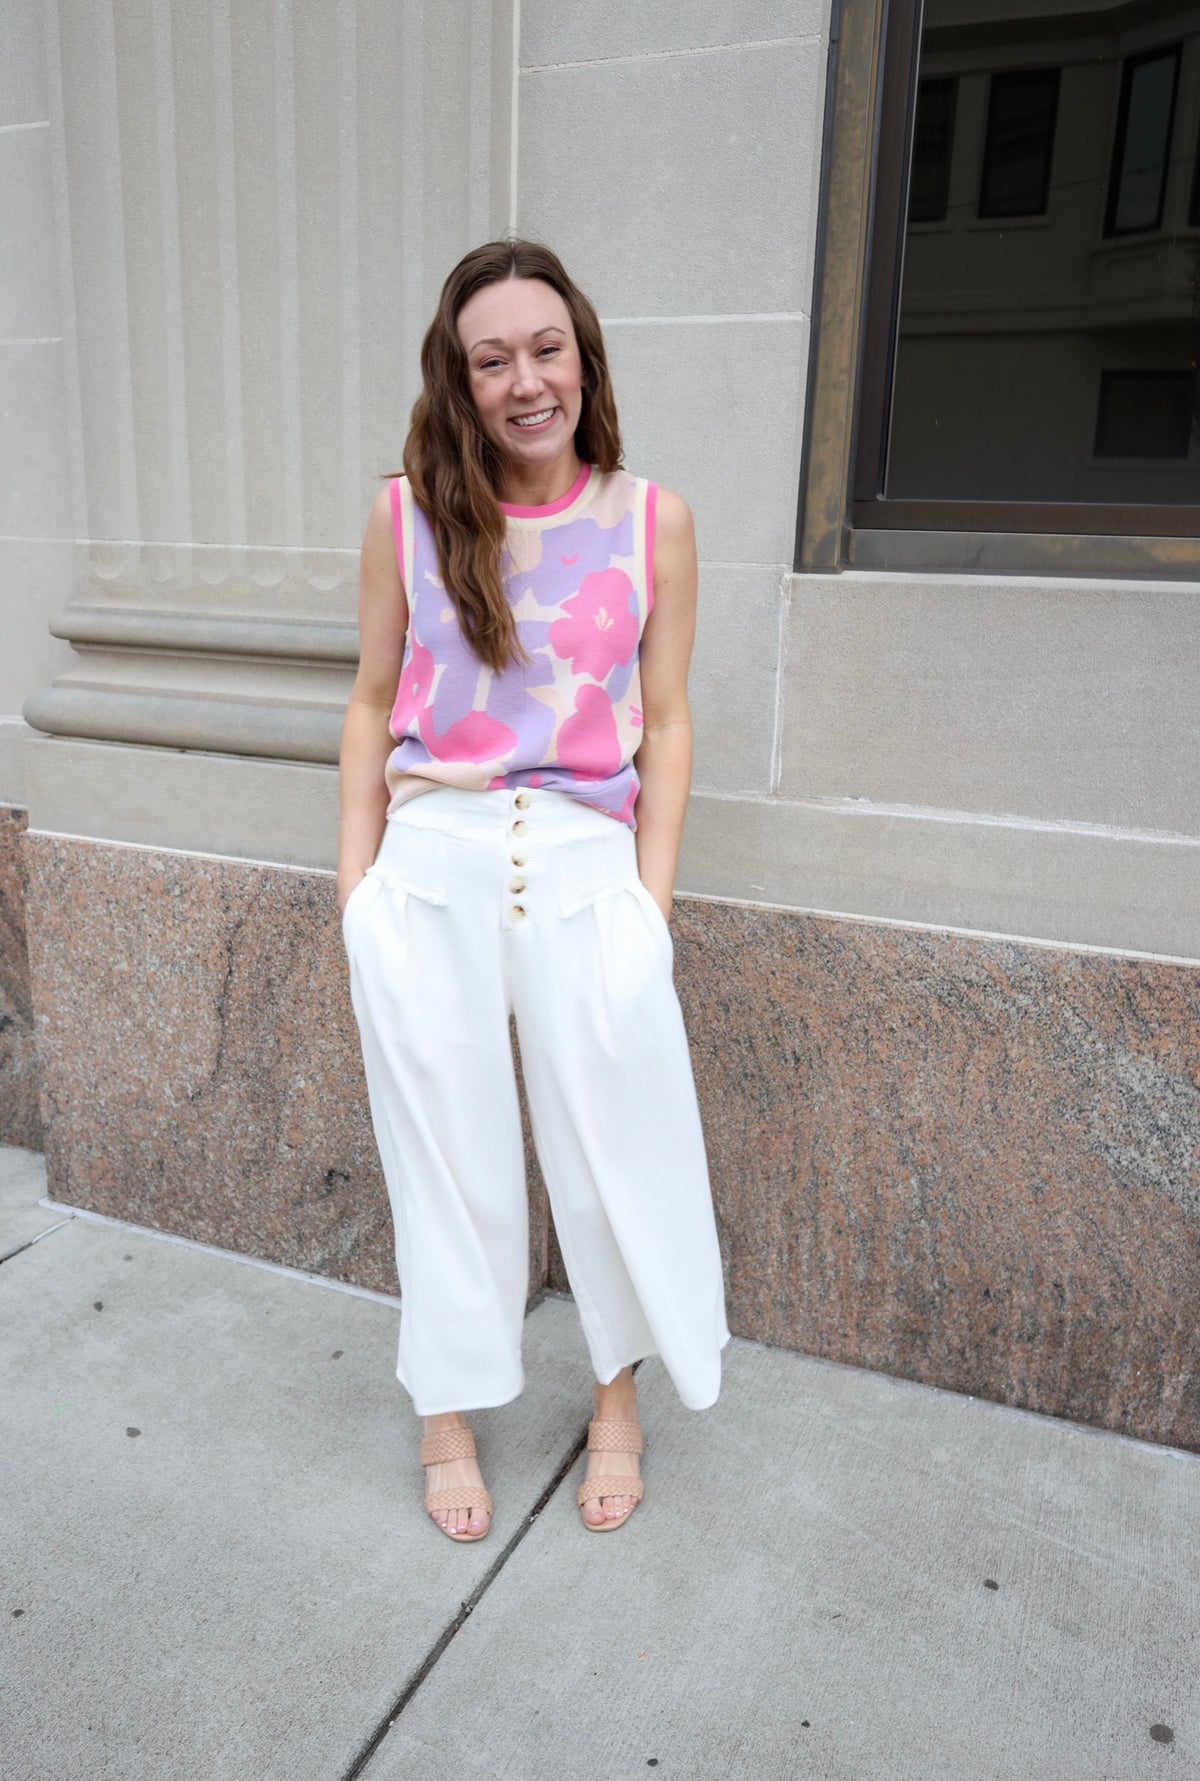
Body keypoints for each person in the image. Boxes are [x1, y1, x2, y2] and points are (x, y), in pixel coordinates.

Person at [337, 238, 729, 1541]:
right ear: (460, 378)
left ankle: (615, 1402)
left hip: (581, 866)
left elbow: (664, 724)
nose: (524, 379)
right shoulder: (407, 513)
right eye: (491, 357)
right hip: (433, 862)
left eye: (544, 348)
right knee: (444, 1159)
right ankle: (445, 1412)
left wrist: (650, 908)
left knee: (608, 1152)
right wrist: (357, 890)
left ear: (584, 356)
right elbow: (364, 702)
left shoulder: (647, 515)